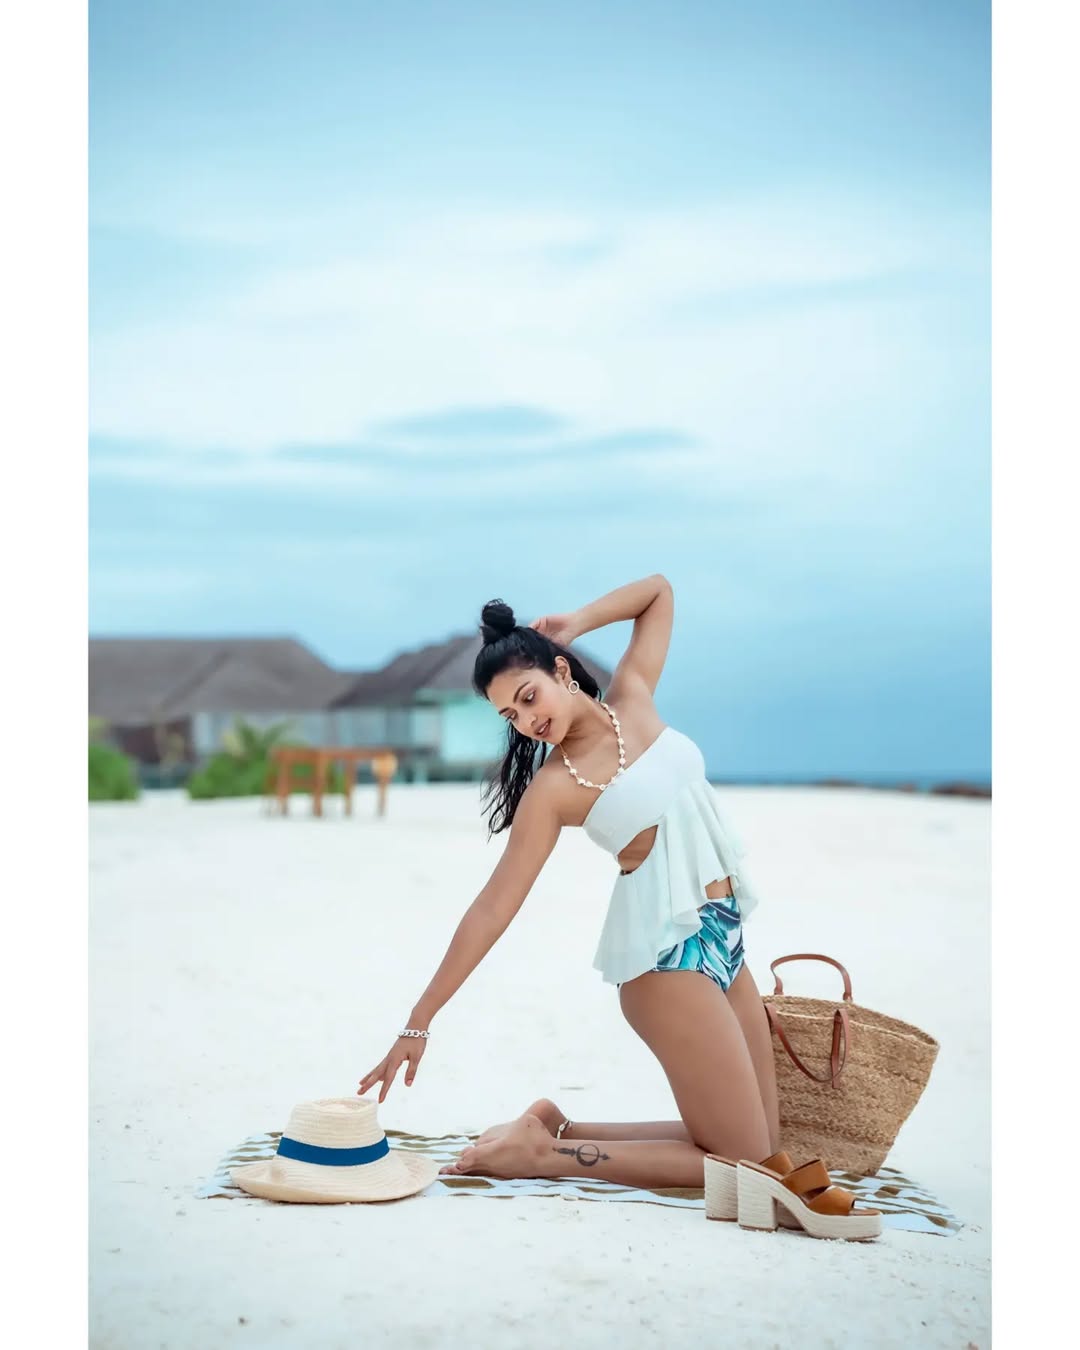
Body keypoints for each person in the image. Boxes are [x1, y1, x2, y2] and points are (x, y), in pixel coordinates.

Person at [358, 573, 782, 1190]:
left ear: (561, 671)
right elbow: (493, 907)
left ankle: (556, 1129)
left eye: (529, 697)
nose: (527, 720)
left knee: (768, 1146)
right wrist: (418, 1019)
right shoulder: (554, 789)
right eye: (511, 714)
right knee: (748, 1168)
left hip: (724, 937)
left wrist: (576, 622)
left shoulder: (633, 697)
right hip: (667, 963)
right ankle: (540, 1158)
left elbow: (658, 593)